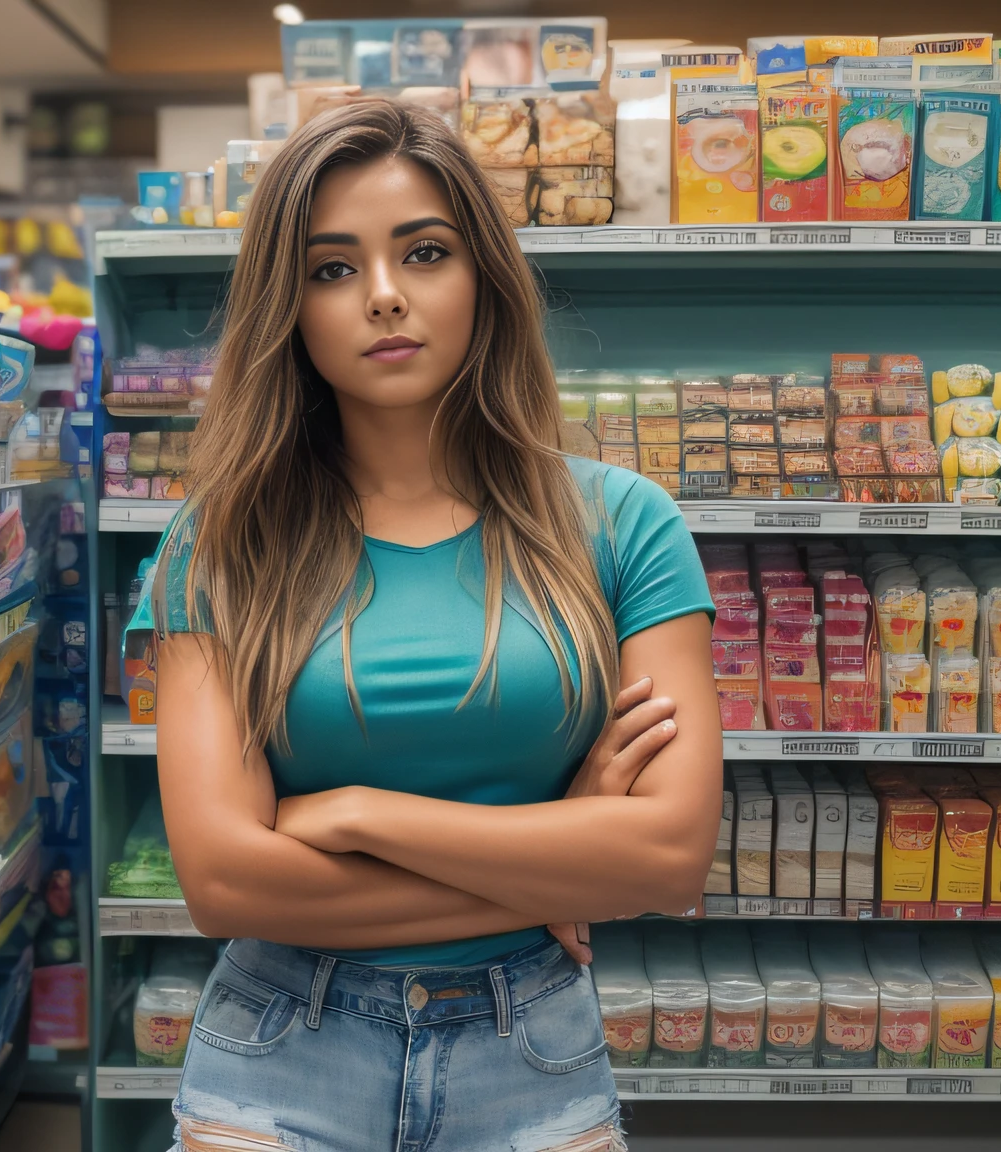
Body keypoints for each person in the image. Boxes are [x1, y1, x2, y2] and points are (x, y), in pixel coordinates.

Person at [149, 99, 721, 1152]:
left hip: (531, 1053)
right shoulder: (221, 545)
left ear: (483, 280)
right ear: (289, 307)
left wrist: (356, 811)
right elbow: (224, 882)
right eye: (331, 268)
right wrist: (555, 857)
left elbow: (670, 857)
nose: (382, 297)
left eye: (424, 252)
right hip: (281, 1051)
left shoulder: (623, 523)